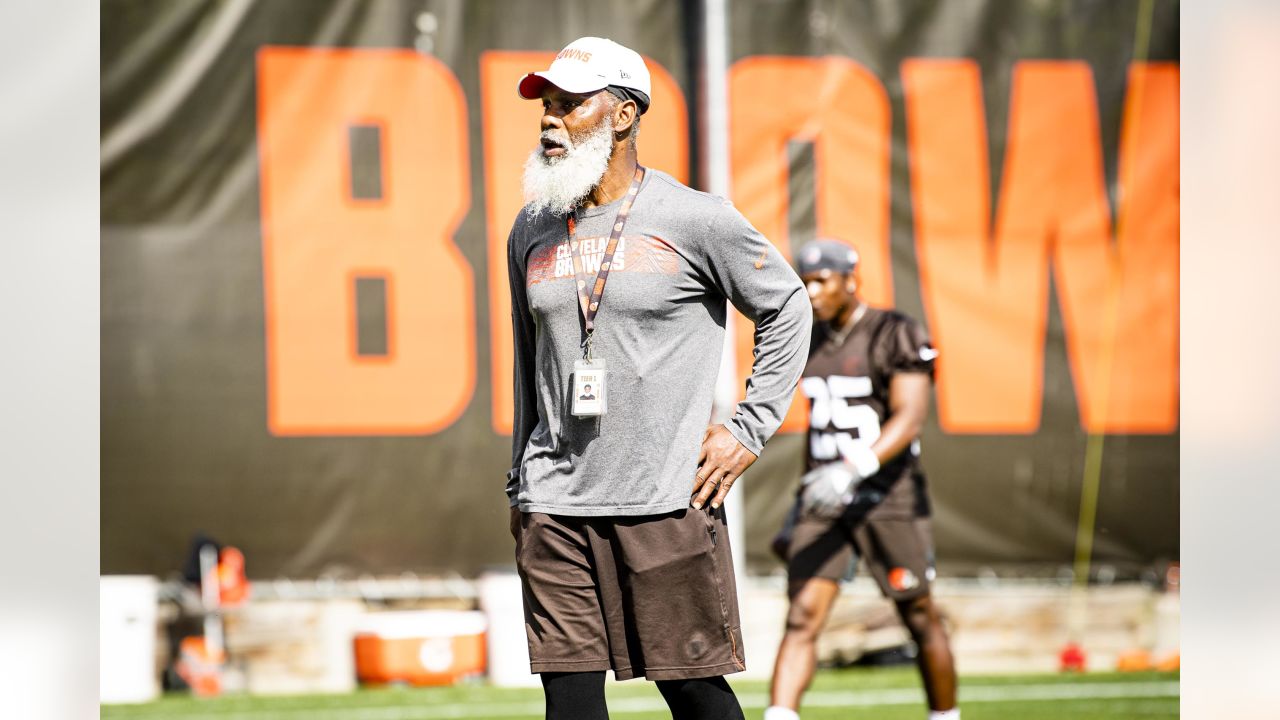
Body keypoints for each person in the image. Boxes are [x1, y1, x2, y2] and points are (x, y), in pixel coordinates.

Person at [505, 37, 811, 720]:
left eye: (570, 105)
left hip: (666, 501)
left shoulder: (695, 218)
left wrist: (749, 428)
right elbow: (529, 366)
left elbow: (788, 306)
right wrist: (518, 482)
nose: (550, 119)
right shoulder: (531, 228)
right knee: (570, 703)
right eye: (545, 106)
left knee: (695, 695)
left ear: (622, 116)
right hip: (554, 504)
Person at [764, 240, 958, 720]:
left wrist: (854, 469)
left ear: (851, 280)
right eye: (805, 281)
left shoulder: (894, 331)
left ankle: (945, 716)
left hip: (886, 495)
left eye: (821, 281)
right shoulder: (806, 335)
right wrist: (799, 507)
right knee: (802, 615)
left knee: (917, 613)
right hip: (825, 498)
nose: (811, 292)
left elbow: (910, 417)